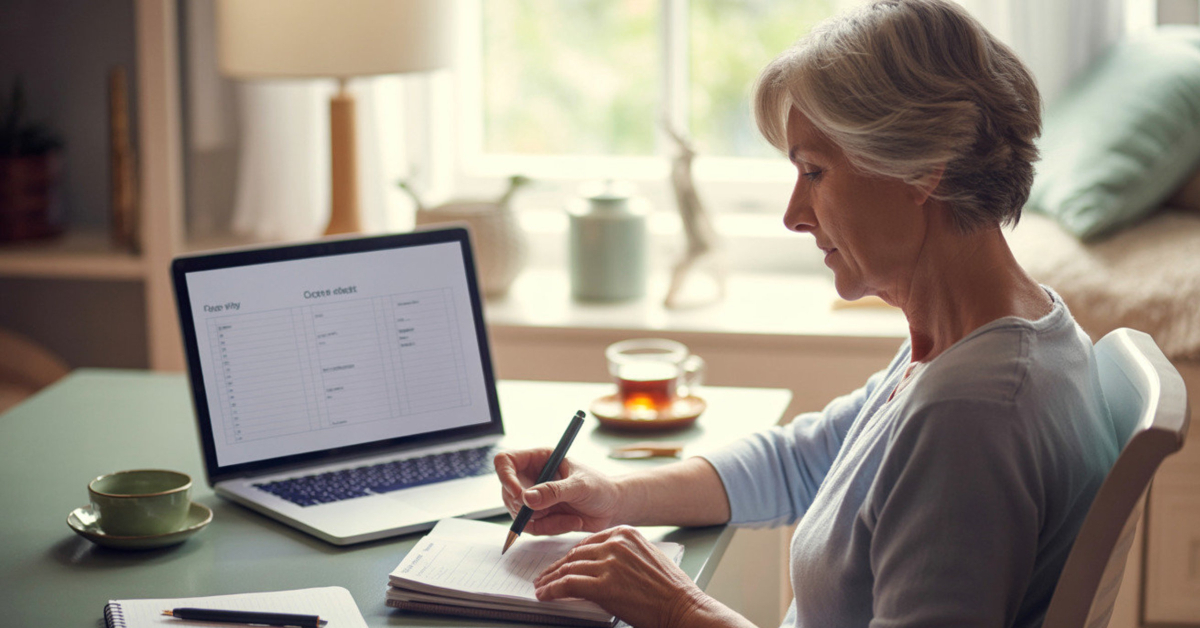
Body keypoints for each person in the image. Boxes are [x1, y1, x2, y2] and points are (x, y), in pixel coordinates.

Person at [494, 1, 1120, 627]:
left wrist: (678, 607)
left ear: (923, 167)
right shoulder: (979, 337)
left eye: (815, 171)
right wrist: (615, 496)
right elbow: (806, 460)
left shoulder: (973, 411)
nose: (794, 213)